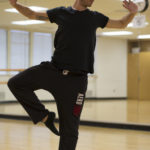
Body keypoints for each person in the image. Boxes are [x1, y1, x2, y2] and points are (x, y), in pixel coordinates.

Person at [8, 0, 138, 149]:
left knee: (69, 131)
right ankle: (44, 116)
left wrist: (132, 13)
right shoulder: (61, 13)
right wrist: (15, 5)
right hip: (53, 71)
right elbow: (32, 14)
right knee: (16, 83)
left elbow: (121, 24)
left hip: (76, 83)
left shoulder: (95, 17)